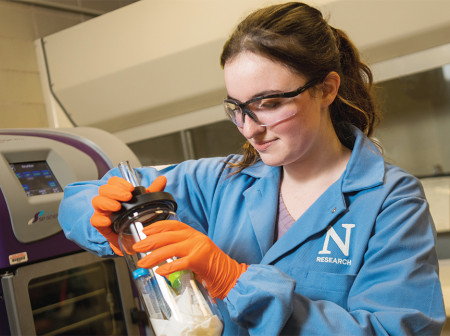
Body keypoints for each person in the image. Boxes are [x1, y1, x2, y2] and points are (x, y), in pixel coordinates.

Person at [58, 2, 446, 335]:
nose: (250, 129)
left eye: (271, 103)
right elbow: (74, 200)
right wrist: (110, 214)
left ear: (326, 89)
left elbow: (393, 330)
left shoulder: (389, 200)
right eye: (237, 109)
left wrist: (235, 281)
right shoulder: (219, 182)